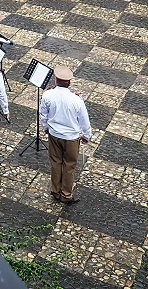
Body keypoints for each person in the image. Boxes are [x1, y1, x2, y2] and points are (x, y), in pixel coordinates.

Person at [39, 66, 92, 205]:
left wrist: (46, 128)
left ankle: (55, 190)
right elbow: (84, 120)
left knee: (55, 163)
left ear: (56, 80)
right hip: (71, 138)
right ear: (69, 82)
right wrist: (86, 136)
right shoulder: (76, 100)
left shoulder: (47, 95)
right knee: (69, 166)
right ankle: (66, 194)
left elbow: (43, 114)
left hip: (54, 134)